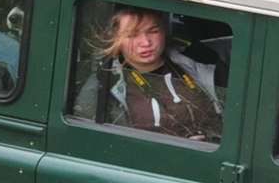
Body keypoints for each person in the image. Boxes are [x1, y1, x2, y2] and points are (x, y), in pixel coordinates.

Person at [71, 8, 224, 141]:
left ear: (165, 32)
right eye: (132, 35)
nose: (145, 42)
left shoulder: (196, 64)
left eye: (153, 31)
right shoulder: (103, 85)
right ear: (116, 40)